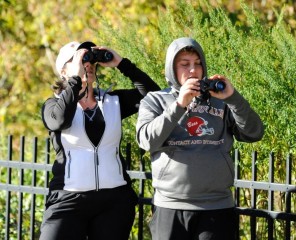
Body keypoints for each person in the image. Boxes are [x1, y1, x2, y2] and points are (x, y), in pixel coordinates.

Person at [136, 37, 264, 240]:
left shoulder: (221, 101)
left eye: (197, 64)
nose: (193, 70)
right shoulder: (155, 100)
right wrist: (179, 105)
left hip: (217, 206)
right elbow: (146, 140)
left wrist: (233, 98)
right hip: (170, 206)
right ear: (171, 69)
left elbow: (254, 133)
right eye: (184, 65)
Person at [39, 41, 160, 240]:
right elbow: (58, 121)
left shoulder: (113, 101)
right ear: (63, 71)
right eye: (78, 59)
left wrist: (121, 63)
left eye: (90, 60)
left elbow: (154, 95)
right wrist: (76, 80)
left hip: (114, 201)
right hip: (69, 198)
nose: (87, 64)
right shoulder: (53, 106)